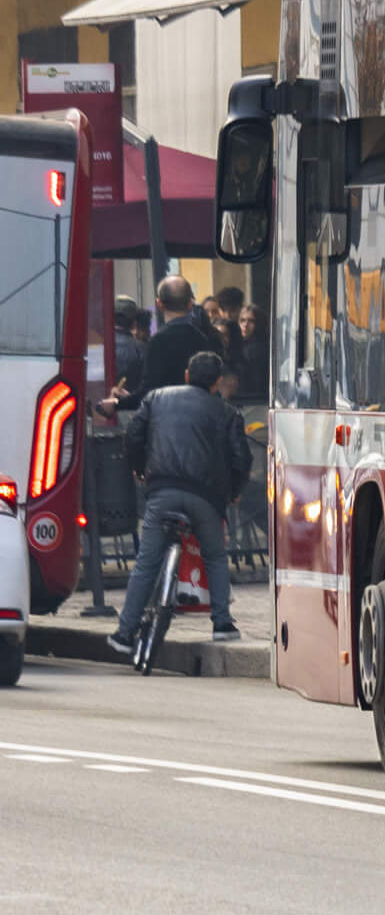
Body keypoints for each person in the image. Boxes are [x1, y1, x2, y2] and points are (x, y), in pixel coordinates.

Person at [108, 351, 250, 654]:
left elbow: (133, 436)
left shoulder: (156, 398)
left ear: (186, 375)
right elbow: (241, 458)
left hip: (162, 491)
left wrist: (140, 469)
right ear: (217, 382)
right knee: (215, 556)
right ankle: (222, 624)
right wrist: (233, 491)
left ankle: (125, 633)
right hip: (206, 498)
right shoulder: (228, 412)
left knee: (146, 562)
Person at [138, 276, 220, 398]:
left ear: (159, 304)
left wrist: (118, 402)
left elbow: (148, 391)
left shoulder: (157, 341)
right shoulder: (204, 339)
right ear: (190, 304)